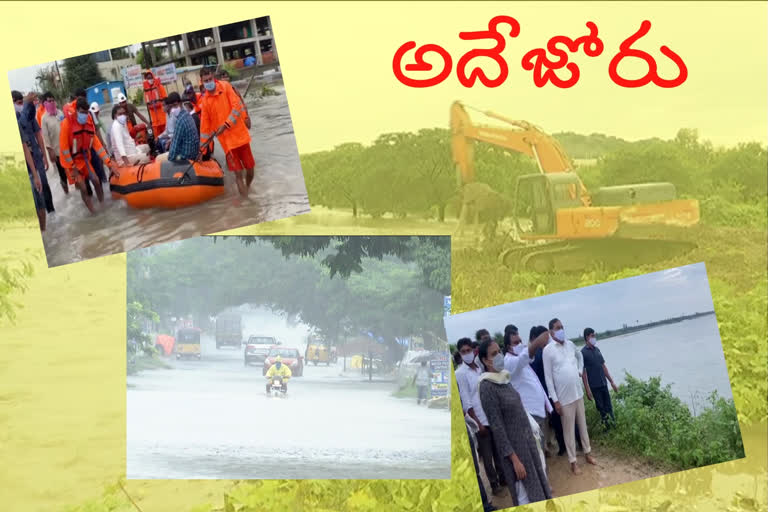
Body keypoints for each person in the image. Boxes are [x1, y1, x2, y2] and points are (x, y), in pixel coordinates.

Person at [477, 338, 552, 506]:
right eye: (493, 354)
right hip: (515, 452)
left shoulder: (504, 379)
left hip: (528, 445)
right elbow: (497, 428)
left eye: (499, 352)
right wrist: (514, 460)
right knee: (526, 495)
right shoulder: (487, 387)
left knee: (539, 486)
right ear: (484, 360)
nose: (499, 356)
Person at [543, 318, 596, 474]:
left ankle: (588, 453)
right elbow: (548, 378)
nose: (561, 330)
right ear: (551, 331)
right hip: (564, 399)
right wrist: (555, 401)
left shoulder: (570, 344)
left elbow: (580, 357)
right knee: (569, 431)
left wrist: (580, 371)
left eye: (562, 327)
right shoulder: (548, 350)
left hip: (577, 394)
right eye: (558, 328)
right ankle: (573, 462)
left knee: (583, 426)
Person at [455, 337, 505, 495]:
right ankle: (494, 485)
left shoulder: (479, 368)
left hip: (490, 415)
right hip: (479, 421)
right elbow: (467, 402)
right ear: (460, 354)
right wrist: (478, 424)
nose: (466, 353)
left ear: (473, 351)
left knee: (498, 451)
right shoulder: (460, 373)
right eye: (463, 352)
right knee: (487, 456)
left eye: (468, 350)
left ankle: (503, 479)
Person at [199, 66, 255, 197]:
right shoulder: (205, 102)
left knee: (251, 170)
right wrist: (202, 149)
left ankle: (248, 187)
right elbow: (204, 128)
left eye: (210, 79)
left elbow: (236, 107)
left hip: (241, 137)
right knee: (238, 174)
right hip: (227, 144)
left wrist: (225, 125)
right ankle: (246, 201)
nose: (209, 82)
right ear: (202, 82)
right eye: (205, 81)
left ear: (214, 77)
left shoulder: (226, 87)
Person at [502, 325, 553, 457]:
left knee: (539, 451)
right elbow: (524, 358)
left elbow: (528, 357)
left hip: (537, 413)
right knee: (536, 454)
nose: (519, 344)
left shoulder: (520, 361)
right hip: (529, 414)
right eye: (515, 342)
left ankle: (543, 476)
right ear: (508, 347)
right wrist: (536, 342)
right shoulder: (508, 362)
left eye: (520, 341)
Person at [59, 97, 117, 213]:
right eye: (82, 112)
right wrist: (73, 167)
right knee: (83, 188)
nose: (84, 115)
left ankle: (102, 206)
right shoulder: (66, 124)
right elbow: (64, 149)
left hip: (83, 158)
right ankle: (93, 213)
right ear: (76, 111)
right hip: (70, 162)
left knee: (96, 180)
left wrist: (110, 164)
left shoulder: (88, 123)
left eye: (86, 113)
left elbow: (98, 147)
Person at [528, 325, 569, 457]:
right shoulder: (542, 352)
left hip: (547, 393)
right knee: (556, 421)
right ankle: (561, 445)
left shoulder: (540, 353)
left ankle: (559, 446)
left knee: (553, 421)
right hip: (549, 392)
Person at [14, 91, 54, 215]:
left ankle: (52, 214)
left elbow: (38, 135)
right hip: (25, 162)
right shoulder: (16, 118)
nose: (21, 106)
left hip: (37, 157)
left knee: (45, 186)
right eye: (19, 103)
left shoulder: (29, 115)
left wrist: (45, 157)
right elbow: (23, 122)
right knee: (36, 194)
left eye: (22, 103)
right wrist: (26, 104)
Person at [581, 328, 619, 428]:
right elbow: (583, 373)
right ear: (587, 337)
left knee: (609, 407)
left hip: (603, 383)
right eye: (592, 336)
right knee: (601, 409)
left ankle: (613, 426)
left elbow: (603, 366)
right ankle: (607, 429)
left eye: (594, 336)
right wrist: (587, 389)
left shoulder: (597, 350)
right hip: (595, 386)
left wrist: (612, 382)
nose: (594, 338)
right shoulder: (583, 353)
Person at [40, 92, 69, 194]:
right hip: (57, 151)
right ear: (44, 103)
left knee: (73, 171)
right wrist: (50, 152)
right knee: (63, 174)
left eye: (53, 100)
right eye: (49, 101)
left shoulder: (60, 113)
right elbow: (46, 137)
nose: (52, 102)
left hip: (68, 149)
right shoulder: (44, 119)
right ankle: (67, 194)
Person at [88, 102, 109, 183]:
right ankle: (102, 178)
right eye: (95, 113)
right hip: (91, 144)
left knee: (101, 160)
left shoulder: (98, 120)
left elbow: (104, 130)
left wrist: (104, 143)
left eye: (97, 113)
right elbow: (97, 131)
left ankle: (104, 179)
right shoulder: (90, 117)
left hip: (97, 142)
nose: (96, 114)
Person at [143, 70, 167, 136]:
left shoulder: (160, 87)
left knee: (166, 136)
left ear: (153, 77)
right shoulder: (146, 91)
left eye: (150, 77)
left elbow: (165, 100)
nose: (149, 79)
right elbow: (147, 104)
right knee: (157, 139)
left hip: (163, 120)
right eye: (148, 78)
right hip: (154, 123)